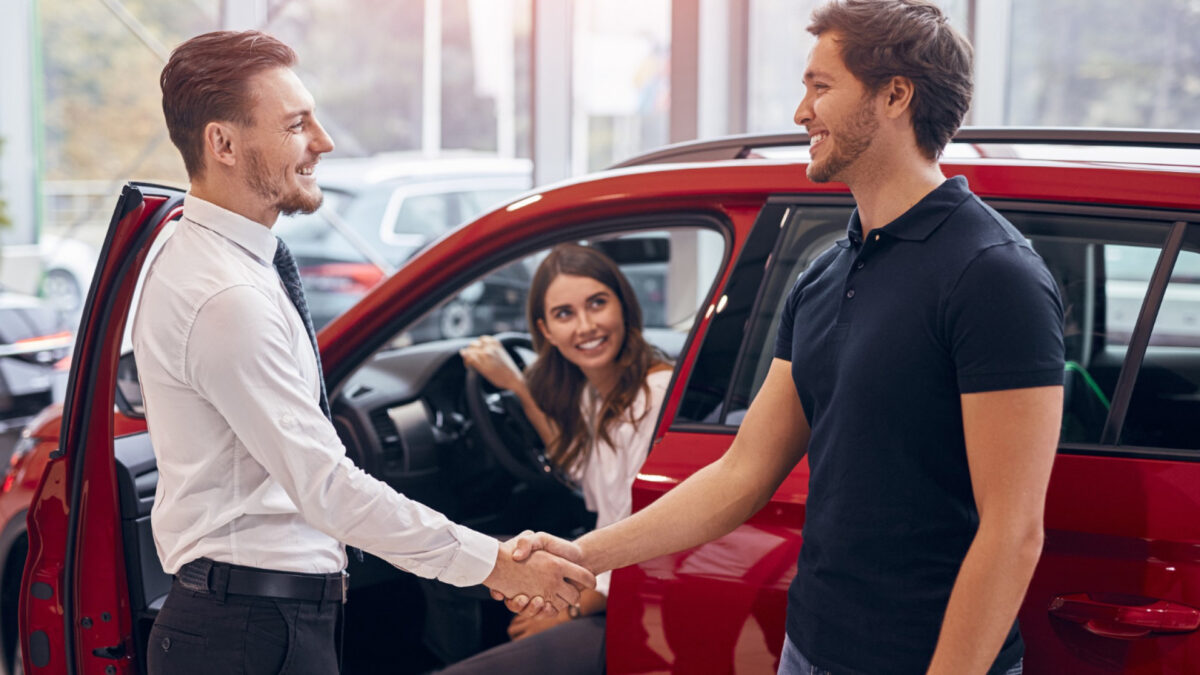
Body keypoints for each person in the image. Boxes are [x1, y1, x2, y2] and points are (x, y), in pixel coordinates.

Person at [510, 1, 1065, 674]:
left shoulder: (991, 274)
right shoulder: (824, 274)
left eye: (820, 86)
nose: (802, 112)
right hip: (809, 648)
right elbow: (741, 475)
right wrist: (581, 554)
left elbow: (1012, 532)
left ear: (895, 95)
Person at [133, 30, 591, 675]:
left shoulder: (212, 255)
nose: (323, 142)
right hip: (247, 634)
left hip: (253, 622)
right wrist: (493, 564)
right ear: (223, 144)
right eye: (296, 125)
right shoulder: (226, 297)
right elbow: (327, 488)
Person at [442, 244, 673, 673]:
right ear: (546, 331)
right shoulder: (595, 393)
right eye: (565, 314)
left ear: (624, 306)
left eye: (597, 303)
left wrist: (572, 606)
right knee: (457, 574)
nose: (586, 326)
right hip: (607, 576)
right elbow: (581, 468)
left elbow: (647, 537)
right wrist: (517, 387)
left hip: (633, 598)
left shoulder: (652, 397)